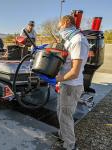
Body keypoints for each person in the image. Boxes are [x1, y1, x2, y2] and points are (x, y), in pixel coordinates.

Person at [55, 15, 89, 150]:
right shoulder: (71, 39)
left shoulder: (78, 41)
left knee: (65, 115)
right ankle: (63, 135)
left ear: (66, 23)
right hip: (66, 84)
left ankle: (69, 145)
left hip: (71, 85)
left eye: (60, 26)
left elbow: (74, 71)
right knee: (60, 111)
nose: (59, 29)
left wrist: (56, 79)